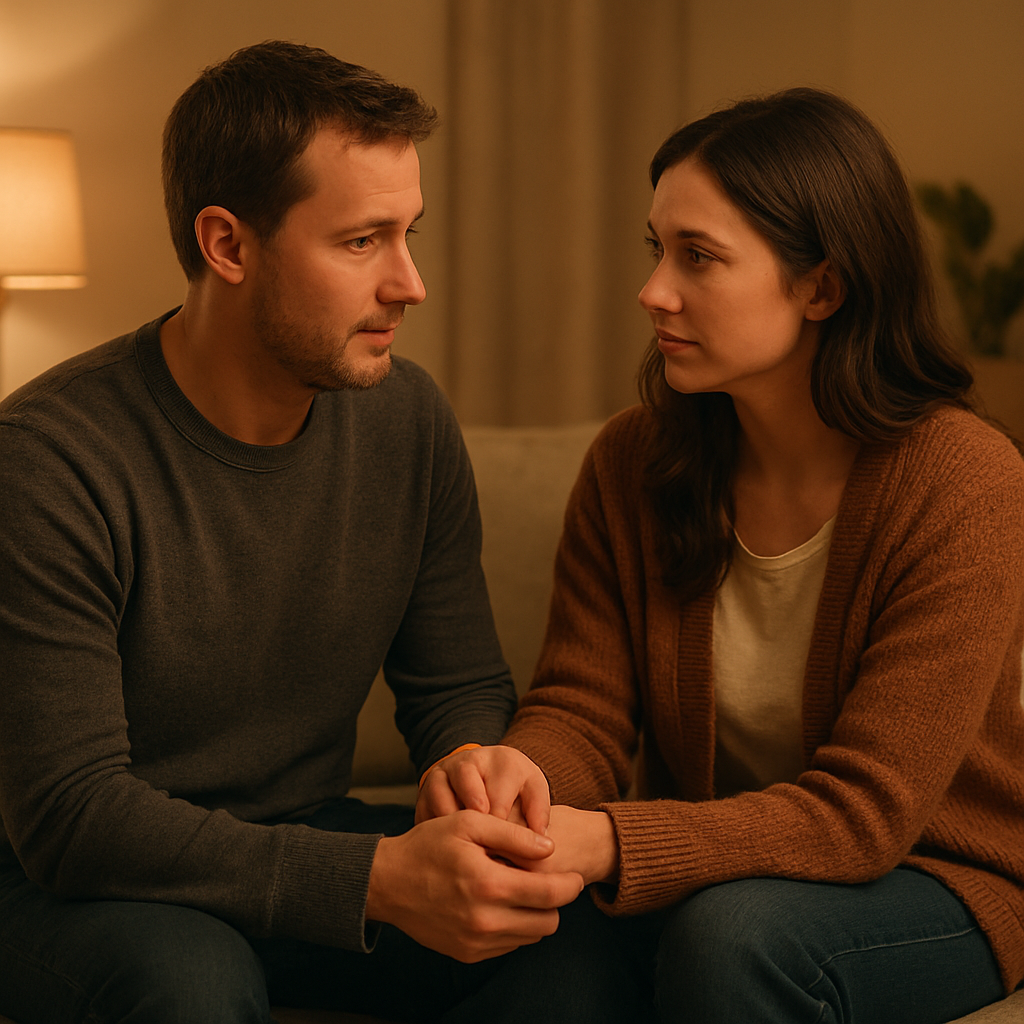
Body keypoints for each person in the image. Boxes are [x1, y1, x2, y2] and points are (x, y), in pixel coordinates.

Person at [0, 40, 586, 1024]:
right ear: (228, 245)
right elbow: (73, 817)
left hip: (300, 829)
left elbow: (456, 687)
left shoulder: (408, 421)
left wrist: (473, 761)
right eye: (362, 242)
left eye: (409, 234)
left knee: (574, 943)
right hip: (69, 881)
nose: (410, 283)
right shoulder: (47, 459)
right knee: (187, 981)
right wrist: (372, 878)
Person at [419, 89, 1024, 1022]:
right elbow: (580, 709)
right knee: (538, 954)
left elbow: (864, 814)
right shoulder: (634, 462)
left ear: (822, 286)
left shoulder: (964, 482)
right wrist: (522, 784)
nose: (654, 290)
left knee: (733, 938)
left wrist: (609, 843)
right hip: (719, 870)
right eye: (656, 249)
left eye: (698, 257)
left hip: (941, 877)